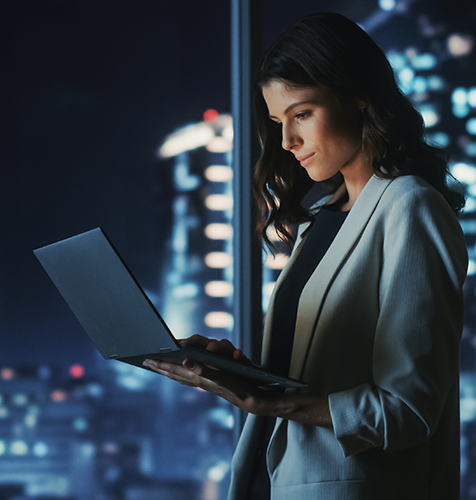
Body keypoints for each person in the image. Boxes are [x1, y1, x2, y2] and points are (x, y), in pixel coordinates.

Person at [143, 12, 468, 500]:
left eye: (301, 114)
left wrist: (272, 401)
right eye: (277, 122)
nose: (287, 142)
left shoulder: (411, 206)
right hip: (271, 480)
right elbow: (318, 377)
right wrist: (242, 373)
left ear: (358, 96)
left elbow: (408, 410)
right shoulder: (321, 220)